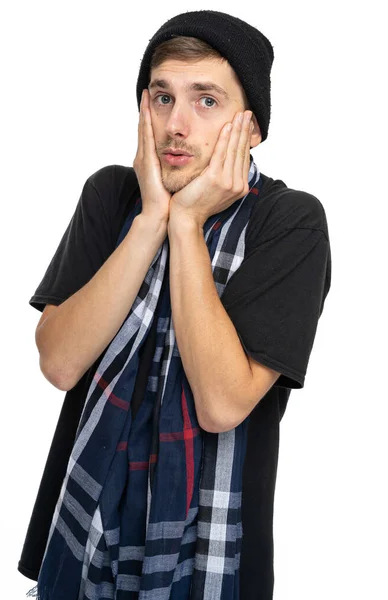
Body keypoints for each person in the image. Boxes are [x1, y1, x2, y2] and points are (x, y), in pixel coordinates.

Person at [18, 10, 332, 600]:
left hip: (210, 558)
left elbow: (222, 403)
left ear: (251, 126)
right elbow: (60, 363)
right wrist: (151, 220)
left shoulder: (289, 223)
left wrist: (185, 224)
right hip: (83, 540)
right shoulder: (112, 196)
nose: (175, 125)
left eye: (206, 101)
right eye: (162, 97)